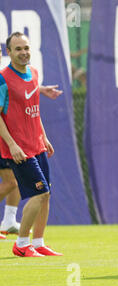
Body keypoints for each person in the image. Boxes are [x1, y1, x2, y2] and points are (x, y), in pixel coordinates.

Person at [0, 32, 62, 257]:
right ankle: (21, 244)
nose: (24, 52)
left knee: (46, 194)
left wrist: (43, 137)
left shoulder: (34, 73)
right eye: (18, 49)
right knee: (38, 193)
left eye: (26, 48)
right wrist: (12, 145)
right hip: (19, 149)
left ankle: (38, 242)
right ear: (9, 52)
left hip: (36, 144)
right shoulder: (3, 78)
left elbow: (34, 112)